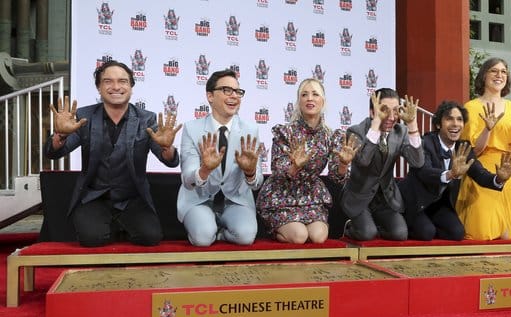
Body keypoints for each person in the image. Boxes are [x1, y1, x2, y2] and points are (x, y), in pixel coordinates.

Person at [45, 60, 181, 247]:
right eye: (108, 81)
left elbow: (169, 160)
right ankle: (108, 226)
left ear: (131, 87)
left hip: (132, 199)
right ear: (99, 88)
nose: (116, 87)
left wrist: (167, 148)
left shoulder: (146, 119)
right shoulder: (84, 116)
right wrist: (60, 135)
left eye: (123, 81)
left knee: (150, 237)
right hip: (94, 197)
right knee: (92, 239)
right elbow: (55, 152)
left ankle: (121, 225)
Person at [256, 79, 359, 244]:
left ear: (323, 101)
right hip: (282, 195)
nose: (309, 98)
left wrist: (343, 164)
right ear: (298, 102)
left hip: (312, 196)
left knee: (318, 237)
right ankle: (274, 231)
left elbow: (335, 176)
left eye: (315, 94)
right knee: (299, 236)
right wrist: (294, 167)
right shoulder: (285, 132)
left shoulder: (331, 136)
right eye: (304, 95)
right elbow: (277, 169)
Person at [399, 101, 511, 240]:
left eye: (459, 119)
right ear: (438, 124)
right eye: (449, 119)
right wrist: (451, 174)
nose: (455, 124)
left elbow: (479, 174)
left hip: (439, 204)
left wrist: (499, 179)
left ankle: (428, 225)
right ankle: (408, 220)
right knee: (426, 233)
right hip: (417, 201)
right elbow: (425, 172)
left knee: (457, 233)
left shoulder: (463, 146)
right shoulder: (426, 142)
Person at [177, 69, 263, 246]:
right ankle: (208, 228)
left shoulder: (250, 130)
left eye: (238, 92)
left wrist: (250, 172)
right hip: (199, 200)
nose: (234, 96)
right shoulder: (192, 129)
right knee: (202, 239)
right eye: (227, 90)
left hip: (235, 201)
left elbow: (256, 183)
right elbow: (187, 179)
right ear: (210, 96)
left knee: (245, 237)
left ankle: (221, 234)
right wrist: (204, 170)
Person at [455, 57, 511, 240]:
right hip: (481, 171)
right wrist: (488, 129)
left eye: (503, 72)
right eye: (494, 71)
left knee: (506, 235)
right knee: (480, 232)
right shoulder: (470, 107)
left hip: (508, 170)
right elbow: (473, 151)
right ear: (484, 75)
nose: (499, 75)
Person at [341, 88, 424, 241]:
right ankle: (350, 227)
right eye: (385, 110)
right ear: (373, 112)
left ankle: (375, 225)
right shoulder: (355, 131)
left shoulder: (401, 132)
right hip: (359, 196)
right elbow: (364, 160)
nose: (392, 117)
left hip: (385, 197)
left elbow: (417, 162)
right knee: (367, 234)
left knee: (400, 234)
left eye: (396, 111)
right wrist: (376, 123)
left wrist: (412, 125)